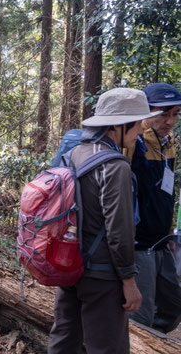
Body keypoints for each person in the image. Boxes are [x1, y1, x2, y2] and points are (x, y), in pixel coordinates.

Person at [48, 88, 160, 353]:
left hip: (70, 264)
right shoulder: (115, 166)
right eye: (138, 125)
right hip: (102, 274)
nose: (140, 132)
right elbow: (119, 231)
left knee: (64, 340)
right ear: (120, 126)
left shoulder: (74, 154)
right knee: (108, 347)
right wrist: (129, 281)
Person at [127, 83, 181, 333]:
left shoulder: (169, 142)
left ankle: (154, 342)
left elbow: (167, 190)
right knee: (142, 315)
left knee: (172, 306)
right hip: (139, 243)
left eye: (176, 114)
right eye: (164, 113)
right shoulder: (132, 143)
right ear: (145, 112)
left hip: (162, 240)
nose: (170, 121)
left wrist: (170, 229)